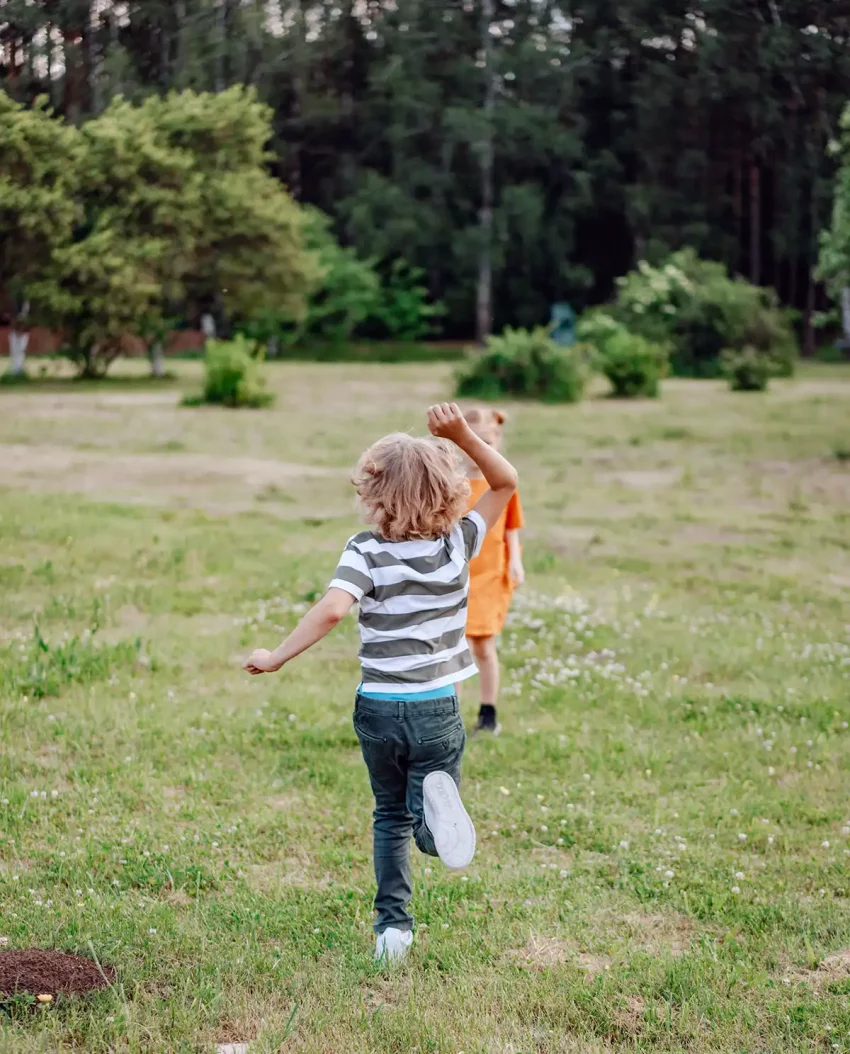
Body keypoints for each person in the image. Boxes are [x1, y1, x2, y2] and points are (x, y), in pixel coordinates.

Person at [243, 403, 519, 963]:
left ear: (374, 496)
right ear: (451, 493)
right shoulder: (459, 543)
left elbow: (331, 611)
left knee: (388, 813)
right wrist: (463, 434)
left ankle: (393, 930)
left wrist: (276, 657)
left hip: (379, 708)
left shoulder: (364, 550)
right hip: (439, 707)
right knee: (425, 812)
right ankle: (435, 825)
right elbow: (506, 480)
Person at [462, 408, 525, 736]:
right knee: (453, 646)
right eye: (474, 443)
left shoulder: (501, 483)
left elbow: (512, 525)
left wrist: (515, 559)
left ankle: (488, 711)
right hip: (458, 577)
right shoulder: (453, 485)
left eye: (487, 443)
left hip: (490, 574)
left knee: (483, 645)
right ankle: (450, 714)